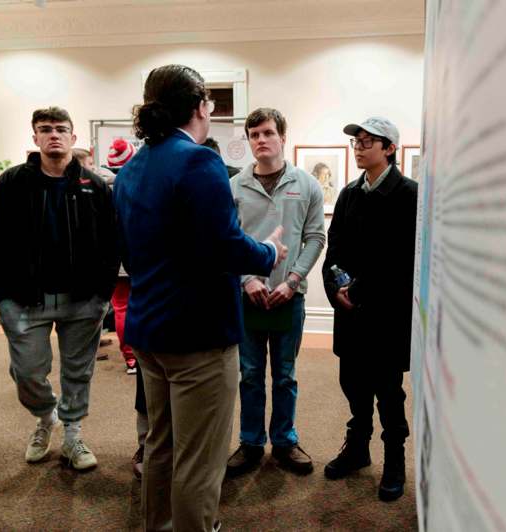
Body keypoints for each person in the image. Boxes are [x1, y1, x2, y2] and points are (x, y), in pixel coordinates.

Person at [114, 64, 287, 532]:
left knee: (161, 446)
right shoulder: (198, 160)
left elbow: (128, 250)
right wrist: (268, 251)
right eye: (209, 105)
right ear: (199, 107)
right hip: (198, 335)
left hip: (149, 331)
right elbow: (224, 247)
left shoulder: (132, 167)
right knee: (200, 459)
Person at [0, 106, 118, 471]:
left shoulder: (94, 186)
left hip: (83, 298)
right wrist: (2, 296)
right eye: (45, 129)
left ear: (74, 138)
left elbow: (111, 241)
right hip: (27, 299)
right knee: (27, 370)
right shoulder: (11, 183)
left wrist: (102, 291)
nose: (54, 135)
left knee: (78, 371)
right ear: (35, 138)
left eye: (61, 129)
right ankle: (46, 417)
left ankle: (73, 435)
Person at [322, 117, 417, 502]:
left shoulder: (409, 195)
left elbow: (401, 259)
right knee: (354, 385)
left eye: (368, 142)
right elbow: (335, 250)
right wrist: (336, 288)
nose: (359, 147)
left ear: (389, 149)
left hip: (387, 314)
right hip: (351, 313)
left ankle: (394, 459)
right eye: (356, 142)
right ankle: (358, 448)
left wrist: (358, 290)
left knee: (389, 392)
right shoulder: (348, 194)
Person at [226, 108, 325, 477]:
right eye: (254, 135)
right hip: (247, 295)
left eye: (268, 133)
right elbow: (226, 241)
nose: (261, 140)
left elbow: (315, 237)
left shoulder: (307, 184)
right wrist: (246, 279)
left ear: (283, 136)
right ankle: (251, 442)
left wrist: (293, 280)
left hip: (289, 295)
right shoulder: (234, 186)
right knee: (250, 374)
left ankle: (284, 440)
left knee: (284, 374)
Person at [105, 138, 138, 375]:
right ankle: (141, 352)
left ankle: (129, 359)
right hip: (136, 255)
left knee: (121, 308)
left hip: (113, 258)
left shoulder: (99, 186)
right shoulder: (136, 184)